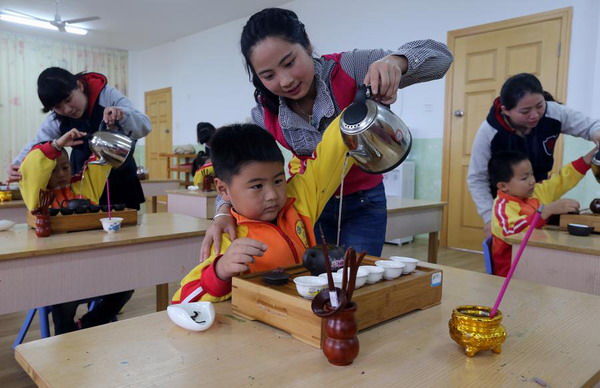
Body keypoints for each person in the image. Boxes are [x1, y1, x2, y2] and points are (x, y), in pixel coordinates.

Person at [201, 7, 454, 260]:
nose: (285, 80)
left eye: (289, 63)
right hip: (308, 206)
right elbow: (231, 166)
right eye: (269, 75)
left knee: (357, 278)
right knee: (315, 282)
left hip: (365, 203)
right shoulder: (265, 113)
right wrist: (222, 211)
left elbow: (442, 58)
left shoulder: (350, 68)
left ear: (307, 44)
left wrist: (397, 62)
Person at [172, 115, 354, 303]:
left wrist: (361, 108)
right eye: (257, 186)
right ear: (223, 190)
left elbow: (331, 152)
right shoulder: (227, 239)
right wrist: (220, 271)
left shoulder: (298, 199)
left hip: (307, 317)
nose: (272, 195)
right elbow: (181, 301)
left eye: (278, 181)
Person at [19, 128, 134, 334]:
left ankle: (88, 325)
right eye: (53, 171)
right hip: (58, 272)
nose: (62, 175)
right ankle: (66, 342)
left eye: (65, 167)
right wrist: (57, 145)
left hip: (91, 263)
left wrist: (111, 135)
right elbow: (31, 168)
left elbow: (98, 163)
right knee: (64, 304)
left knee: (125, 288)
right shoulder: (37, 196)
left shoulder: (82, 187)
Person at [468, 73, 600, 236]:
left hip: (537, 198)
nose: (535, 115)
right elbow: (477, 178)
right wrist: (489, 218)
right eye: (525, 111)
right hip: (510, 203)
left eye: (539, 106)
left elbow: (591, 126)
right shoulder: (489, 131)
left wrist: (596, 137)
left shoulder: (554, 112)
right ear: (506, 111)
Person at [7, 67, 151, 210]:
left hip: (120, 175)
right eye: (58, 107)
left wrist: (124, 114)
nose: (67, 110)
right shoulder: (56, 118)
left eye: (68, 100)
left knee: (127, 227)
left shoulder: (107, 95)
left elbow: (145, 126)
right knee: (84, 228)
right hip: (81, 183)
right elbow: (39, 143)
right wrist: (18, 163)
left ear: (80, 86)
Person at [489, 148, 594, 276]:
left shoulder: (537, 191)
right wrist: (545, 211)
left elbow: (561, 181)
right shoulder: (501, 207)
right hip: (513, 274)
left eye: (531, 174)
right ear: (503, 186)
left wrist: (587, 160)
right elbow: (511, 232)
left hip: (539, 262)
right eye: (524, 178)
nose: (532, 180)